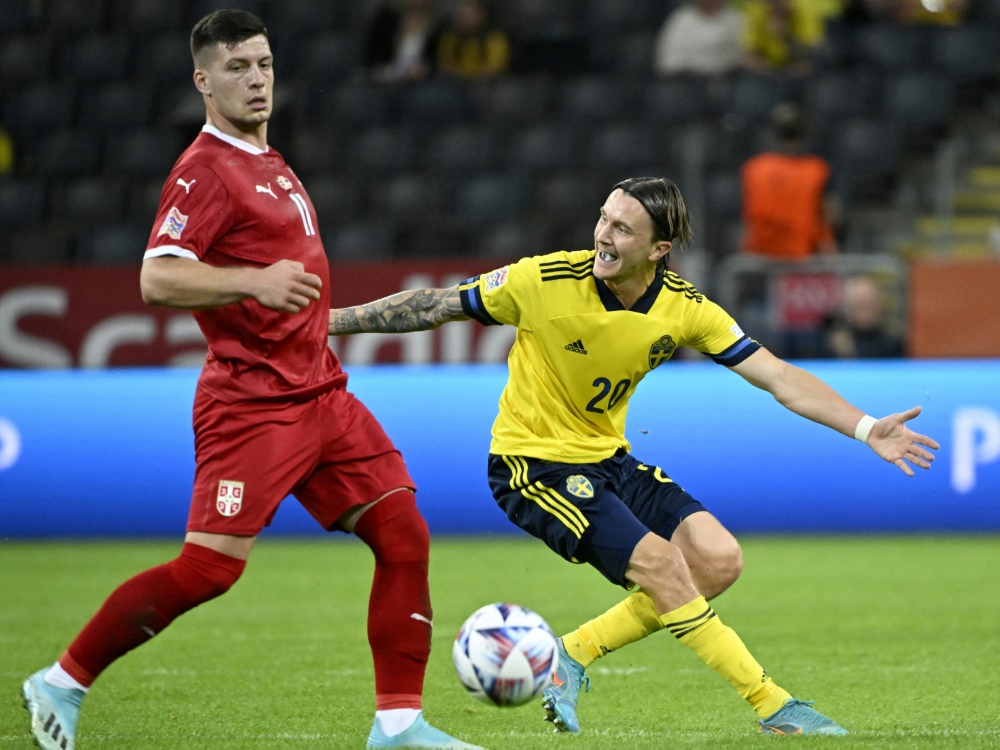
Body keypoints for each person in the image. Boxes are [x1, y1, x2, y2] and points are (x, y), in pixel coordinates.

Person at [327, 176, 939, 735]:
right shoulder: (543, 280)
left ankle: (570, 654)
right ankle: (772, 705)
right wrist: (326, 323)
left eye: (622, 228)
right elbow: (436, 306)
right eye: (603, 219)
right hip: (533, 465)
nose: (603, 235)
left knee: (719, 560)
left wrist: (865, 429)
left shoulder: (683, 308)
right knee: (664, 567)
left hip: (608, 460)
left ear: (659, 249)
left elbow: (777, 376)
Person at [20, 11, 482, 750]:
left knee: (403, 534)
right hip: (254, 405)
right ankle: (61, 681)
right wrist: (252, 283)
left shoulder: (269, 160)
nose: (257, 79)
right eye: (237, 67)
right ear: (203, 81)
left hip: (323, 394)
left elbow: (291, 290)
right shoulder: (202, 170)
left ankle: (398, 725)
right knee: (208, 570)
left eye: (264, 63)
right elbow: (156, 280)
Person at [741, 102, 840, 260]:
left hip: (760, 260)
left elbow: (746, 219)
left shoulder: (754, 168)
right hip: (804, 259)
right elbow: (831, 214)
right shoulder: (817, 169)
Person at [653, 0, 746, 79]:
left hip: (727, 80)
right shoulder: (680, 20)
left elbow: (744, 56)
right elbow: (667, 62)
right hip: (687, 82)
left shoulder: (736, 19)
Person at [821, 275, 905, 358]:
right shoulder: (830, 341)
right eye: (861, 305)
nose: (866, 312)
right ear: (849, 308)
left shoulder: (892, 344)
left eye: (871, 304)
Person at [363, 0, 446, 83]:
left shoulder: (439, 25)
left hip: (420, 83)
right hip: (382, 78)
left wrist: (424, 70)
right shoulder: (386, 17)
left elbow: (436, 61)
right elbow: (371, 54)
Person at [436, 0, 510, 79]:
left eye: (470, 15)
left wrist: (471, 76)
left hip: (485, 85)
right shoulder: (450, 38)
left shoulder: (495, 39)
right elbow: (445, 64)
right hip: (454, 82)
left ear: (481, 16)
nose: (465, 21)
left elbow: (494, 68)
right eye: (463, 16)